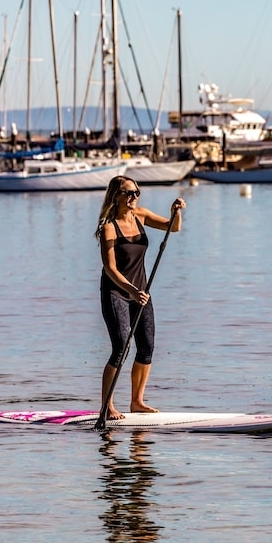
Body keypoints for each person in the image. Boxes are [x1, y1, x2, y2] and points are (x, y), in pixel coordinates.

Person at [94, 175, 185, 420]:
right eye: (129, 193)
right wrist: (131, 290)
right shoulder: (109, 227)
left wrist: (175, 212)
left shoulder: (141, 215)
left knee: (146, 347)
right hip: (116, 292)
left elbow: (173, 227)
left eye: (137, 192)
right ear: (116, 196)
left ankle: (137, 402)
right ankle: (107, 406)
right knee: (120, 348)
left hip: (142, 292)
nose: (134, 197)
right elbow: (110, 268)